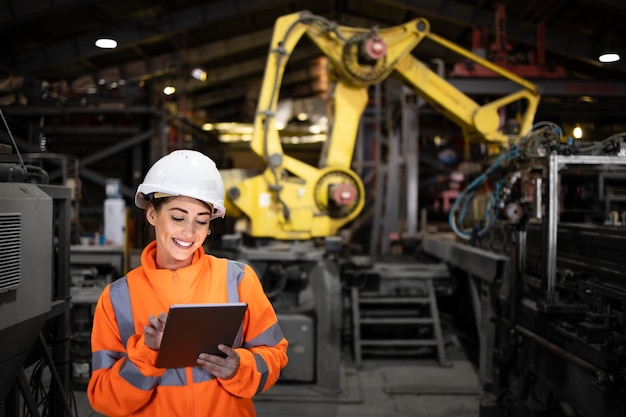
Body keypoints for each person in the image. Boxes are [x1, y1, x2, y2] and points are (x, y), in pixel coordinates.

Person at [87, 149, 288, 417]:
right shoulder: (117, 298)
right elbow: (104, 399)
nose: (190, 232)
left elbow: (274, 355)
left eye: (201, 221)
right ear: (152, 214)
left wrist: (240, 367)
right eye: (178, 217)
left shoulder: (238, 279)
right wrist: (148, 352)